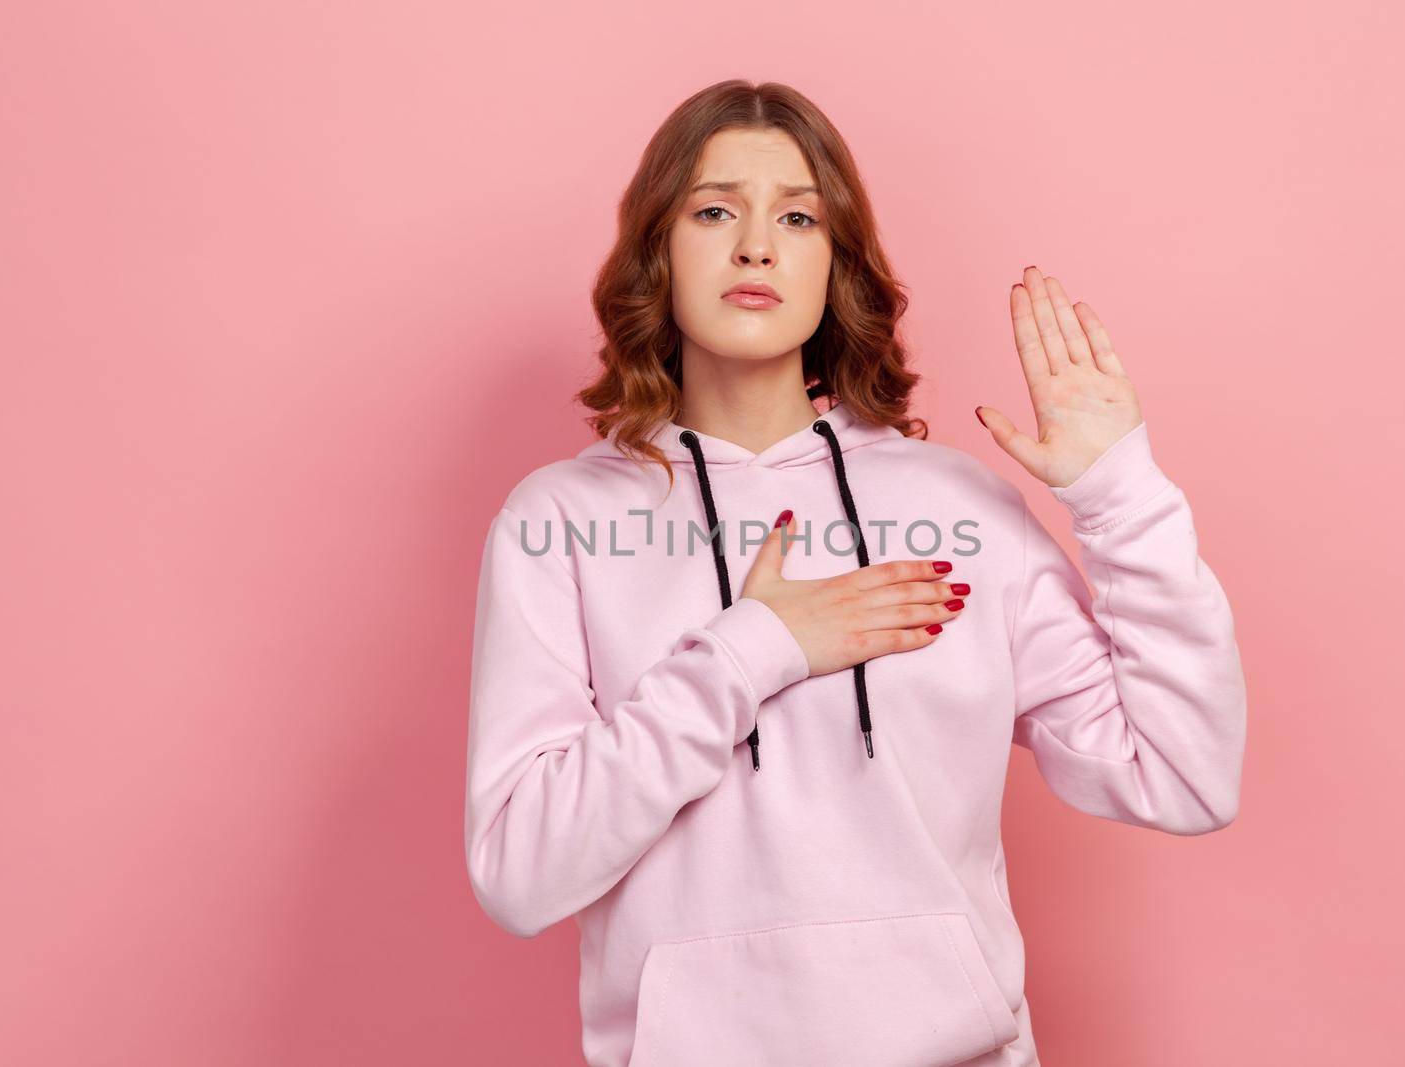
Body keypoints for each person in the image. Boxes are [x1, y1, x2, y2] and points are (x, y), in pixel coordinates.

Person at [463, 79, 1246, 1067]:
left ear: (835, 262)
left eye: (796, 216)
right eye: (714, 211)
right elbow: (519, 871)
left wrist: (1120, 496)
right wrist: (758, 646)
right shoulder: (560, 520)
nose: (756, 244)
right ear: (656, 250)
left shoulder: (961, 509)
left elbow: (1184, 773)